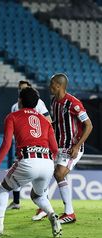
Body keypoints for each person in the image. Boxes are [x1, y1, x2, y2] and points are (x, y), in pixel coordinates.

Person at [0, 87, 62, 238]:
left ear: (20, 100)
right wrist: (49, 164)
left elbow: (7, 144)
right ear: (36, 103)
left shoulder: (12, 116)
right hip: (47, 162)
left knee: (4, 188)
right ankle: (52, 214)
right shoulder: (45, 121)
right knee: (38, 196)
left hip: (28, 159)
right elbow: (54, 148)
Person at [32, 73, 93, 224]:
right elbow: (57, 123)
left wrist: (77, 146)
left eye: (51, 83)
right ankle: (45, 208)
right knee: (48, 173)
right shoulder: (54, 101)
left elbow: (89, 125)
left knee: (59, 174)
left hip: (73, 146)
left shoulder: (74, 103)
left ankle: (69, 213)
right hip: (58, 145)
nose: (49, 86)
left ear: (59, 85)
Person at [7, 80, 52, 211]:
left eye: (25, 88)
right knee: (16, 172)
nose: (22, 91)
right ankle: (16, 202)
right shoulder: (14, 107)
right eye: (20, 89)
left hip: (38, 145)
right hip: (21, 145)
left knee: (38, 176)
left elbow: (49, 121)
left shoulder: (38, 103)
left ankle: (43, 206)